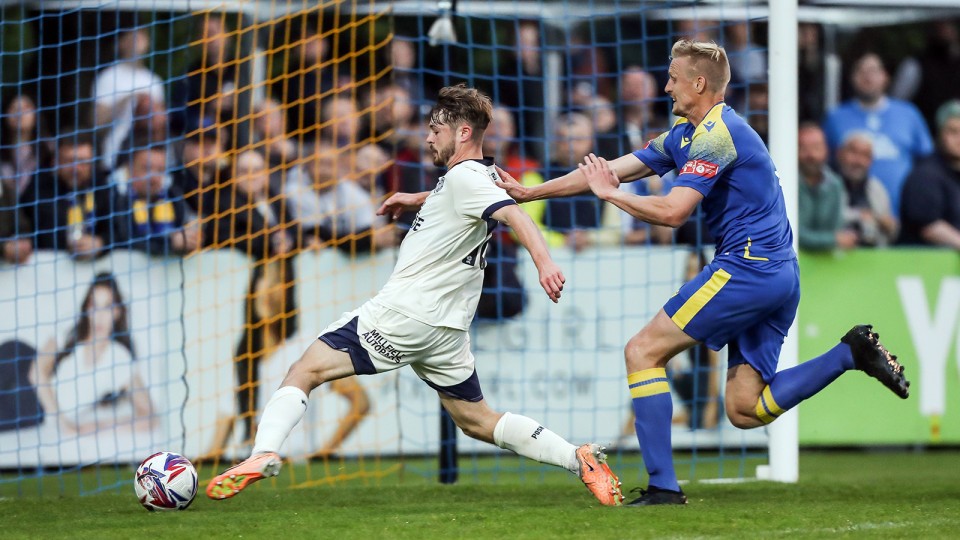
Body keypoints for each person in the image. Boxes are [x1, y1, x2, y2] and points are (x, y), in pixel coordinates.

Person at [495, 39, 910, 506]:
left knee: (641, 352)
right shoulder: (686, 132)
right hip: (779, 275)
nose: (665, 85)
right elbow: (612, 168)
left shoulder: (718, 134)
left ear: (698, 83)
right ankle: (849, 354)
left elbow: (673, 211)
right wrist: (530, 195)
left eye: (673, 77)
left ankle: (664, 488)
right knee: (745, 409)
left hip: (746, 269)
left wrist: (610, 196)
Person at [206, 84, 624, 506]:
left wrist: (545, 264)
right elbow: (466, 197)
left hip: (406, 314)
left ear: (462, 133)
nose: (428, 137)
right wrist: (418, 199)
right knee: (477, 420)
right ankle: (579, 458)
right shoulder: (475, 177)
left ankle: (262, 453)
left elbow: (515, 215)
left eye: (435, 129)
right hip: (447, 331)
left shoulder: (465, 178)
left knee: (304, 370)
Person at [28, 273, 155, 434]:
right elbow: (35, 372)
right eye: (95, 306)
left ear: (117, 312)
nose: (100, 316)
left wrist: (99, 426)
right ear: (87, 309)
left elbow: (149, 415)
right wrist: (64, 424)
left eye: (107, 307)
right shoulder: (69, 331)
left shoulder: (119, 358)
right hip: (23, 379)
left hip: (32, 413)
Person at [823, 52, 933, 217]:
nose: (868, 77)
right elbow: (825, 163)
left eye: (873, 70)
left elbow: (927, 162)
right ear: (852, 78)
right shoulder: (835, 117)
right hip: (850, 218)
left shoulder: (909, 113)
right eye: (861, 71)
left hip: (904, 214)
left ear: (885, 77)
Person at [899, 100, 960, 248]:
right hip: (924, 266)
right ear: (940, 134)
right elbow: (929, 227)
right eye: (953, 131)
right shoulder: (925, 174)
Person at [796, 123, 853, 252]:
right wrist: (832, 240)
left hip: (826, 264)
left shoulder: (835, 184)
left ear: (826, 150)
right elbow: (790, 232)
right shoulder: (783, 182)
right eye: (803, 148)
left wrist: (834, 239)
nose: (811, 155)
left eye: (816, 148)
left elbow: (836, 228)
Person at [834, 132, 898, 247]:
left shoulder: (876, 188)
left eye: (865, 155)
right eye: (853, 152)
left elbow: (891, 232)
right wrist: (859, 215)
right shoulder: (827, 184)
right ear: (840, 153)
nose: (858, 161)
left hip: (872, 258)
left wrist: (889, 225)